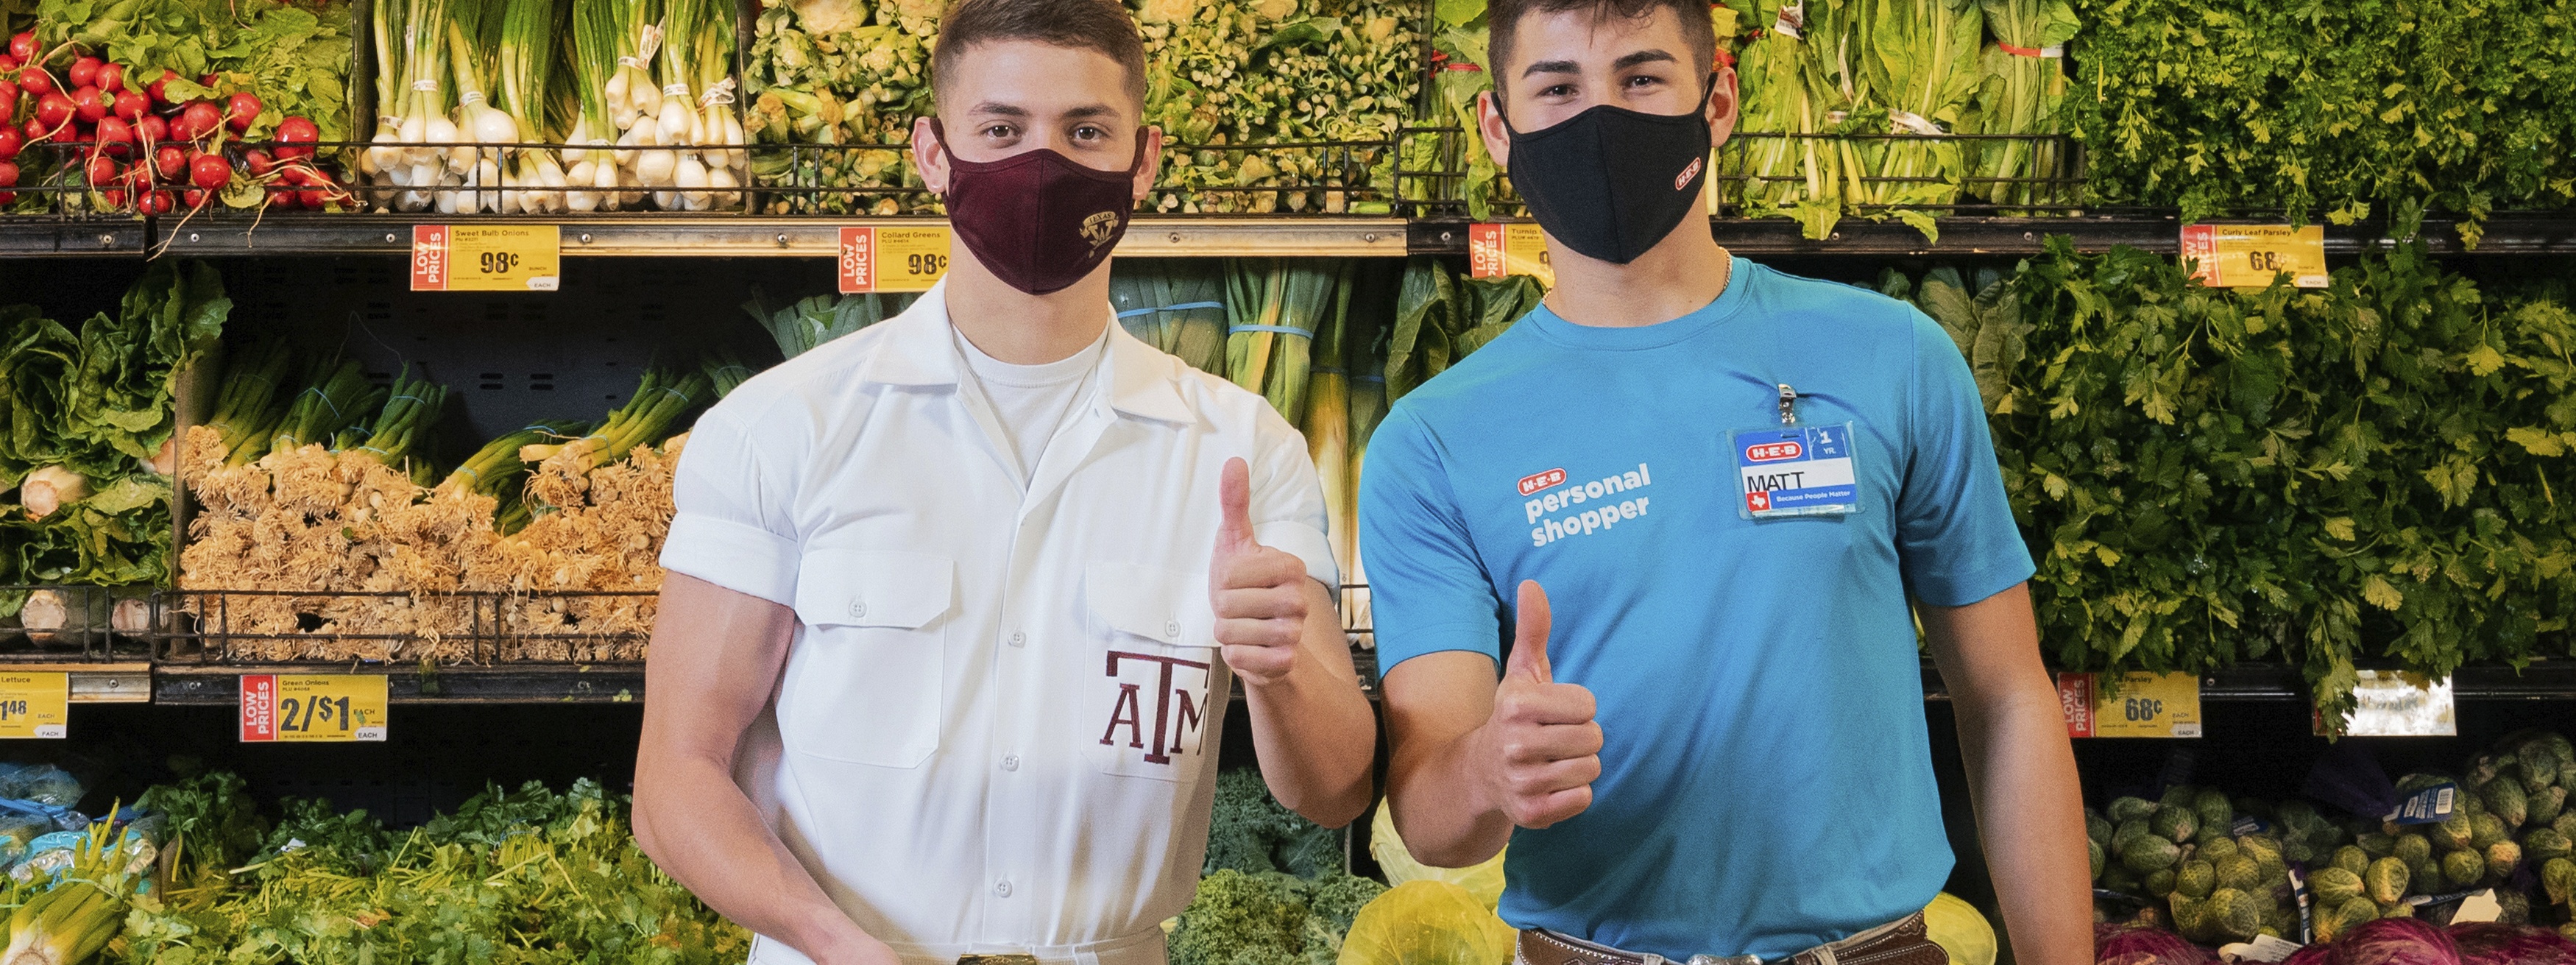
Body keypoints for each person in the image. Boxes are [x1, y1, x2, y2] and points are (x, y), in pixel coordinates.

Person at [629, 1, 1376, 962]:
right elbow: (675, 780)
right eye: (1001, 130)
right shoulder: (784, 427)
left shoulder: (1242, 451)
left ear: (1143, 162)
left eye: (1086, 132)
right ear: (934, 154)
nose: (1042, 167)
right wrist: (839, 944)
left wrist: (1278, 673)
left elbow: (1337, 791)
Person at [1358, 1, 2091, 963]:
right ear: (1497, 129)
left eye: (1642, 78)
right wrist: (1491, 771)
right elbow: (1429, 815)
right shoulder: (1433, 441)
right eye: (1558, 88)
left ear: (1720, 102)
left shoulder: (1894, 356)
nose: (1600, 118)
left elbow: (2007, 699)